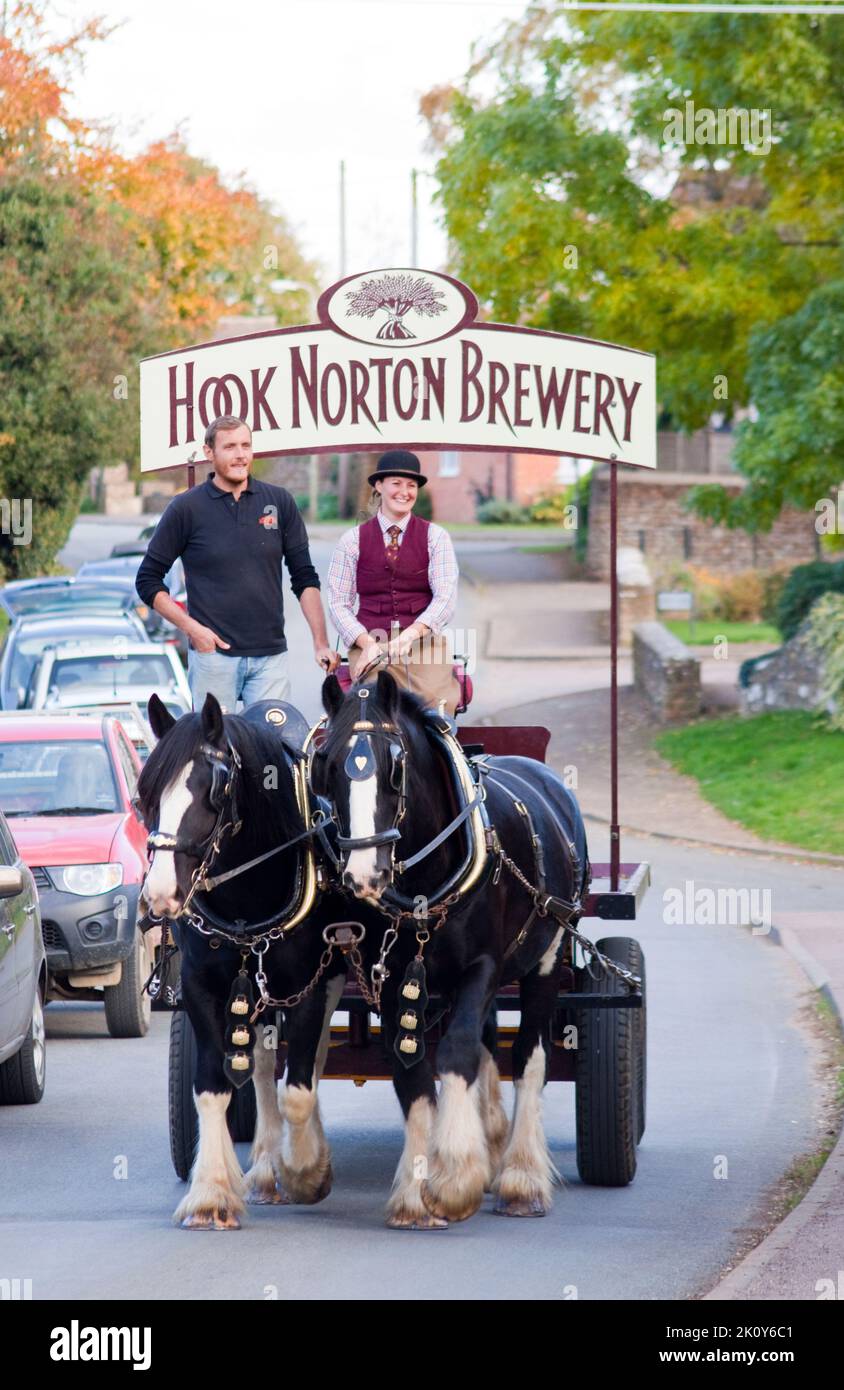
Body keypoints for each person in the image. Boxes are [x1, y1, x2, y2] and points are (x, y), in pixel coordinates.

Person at [136, 415, 338, 711]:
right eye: (230, 446)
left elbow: (305, 578)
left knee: (272, 747)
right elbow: (147, 581)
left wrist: (320, 642)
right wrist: (193, 630)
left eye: (246, 445)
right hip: (213, 658)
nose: (241, 454)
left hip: (270, 657)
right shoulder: (185, 509)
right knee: (216, 752)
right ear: (209, 452)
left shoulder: (279, 501)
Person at [327, 449, 460, 714]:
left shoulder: (436, 537)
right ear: (379, 485)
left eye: (411, 485)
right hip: (371, 641)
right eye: (396, 483)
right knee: (374, 709)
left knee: (434, 711)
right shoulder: (352, 540)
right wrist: (365, 644)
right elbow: (338, 602)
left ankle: (446, 755)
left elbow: (445, 597)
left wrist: (410, 635)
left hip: (424, 644)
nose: (404, 492)